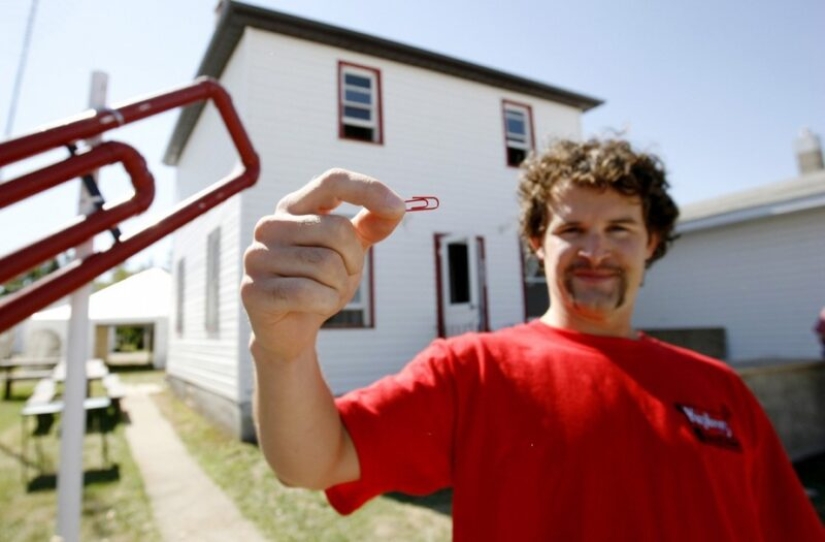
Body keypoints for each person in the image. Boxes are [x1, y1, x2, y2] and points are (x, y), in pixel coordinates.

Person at [241, 138, 824, 541]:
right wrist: (283, 349)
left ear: (652, 242)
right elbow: (316, 460)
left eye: (619, 229)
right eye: (572, 229)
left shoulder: (722, 388)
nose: (595, 250)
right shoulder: (472, 369)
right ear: (537, 243)